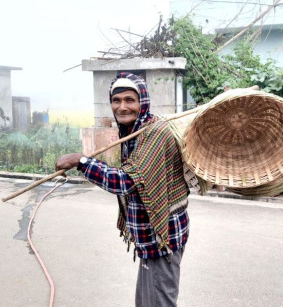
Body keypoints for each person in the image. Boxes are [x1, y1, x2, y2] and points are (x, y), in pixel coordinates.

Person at [55, 72, 190, 307]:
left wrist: (81, 161)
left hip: (162, 236)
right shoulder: (133, 133)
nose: (122, 107)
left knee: (159, 303)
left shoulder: (154, 133)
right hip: (150, 238)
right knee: (146, 303)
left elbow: (126, 182)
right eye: (116, 101)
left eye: (130, 100)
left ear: (143, 102)